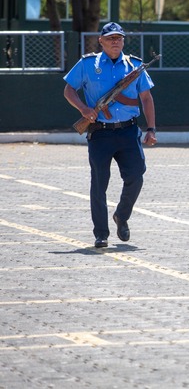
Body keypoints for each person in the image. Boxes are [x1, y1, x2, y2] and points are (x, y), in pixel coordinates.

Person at [63, 22, 157, 248]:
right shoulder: (87, 64)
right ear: (101, 41)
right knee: (99, 184)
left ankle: (121, 216)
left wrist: (151, 128)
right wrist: (84, 110)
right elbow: (68, 90)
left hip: (128, 130)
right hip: (100, 133)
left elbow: (146, 98)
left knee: (136, 175)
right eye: (111, 38)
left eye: (119, 38)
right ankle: (101, 233)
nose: (116, 41)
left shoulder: (134, 66)